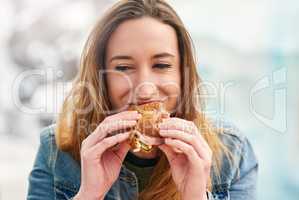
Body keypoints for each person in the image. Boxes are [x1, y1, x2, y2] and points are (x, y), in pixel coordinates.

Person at [27, 0, 258, 199]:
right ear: (101, 78)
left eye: (161, 65)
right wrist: (89, 195)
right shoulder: (55, 150)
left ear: (182, 73)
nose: (145, 89)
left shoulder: (233, 152)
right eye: (124, 67)